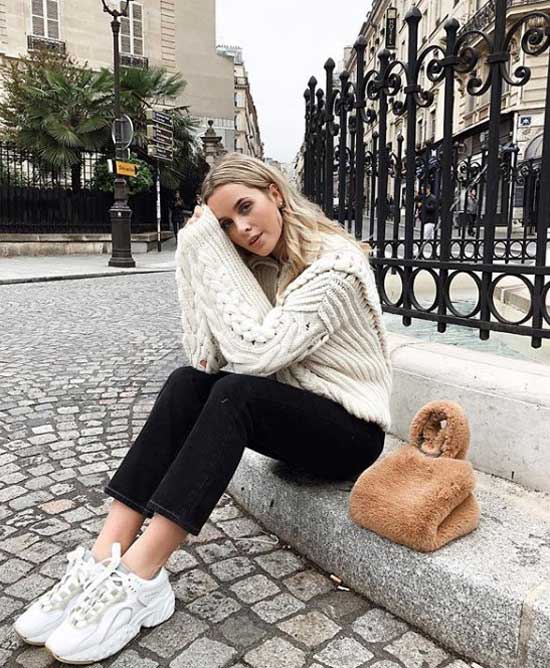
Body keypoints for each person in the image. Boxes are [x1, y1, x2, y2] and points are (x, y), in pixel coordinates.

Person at [13, 153, 393, 664]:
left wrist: (205, 249)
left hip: (350, 434)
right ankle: (106, 551)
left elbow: (257, 356)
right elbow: (205, 357)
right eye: (225, 226)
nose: (242, 229)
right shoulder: (254, 268)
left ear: (274, 193)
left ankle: (142, 577)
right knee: (187, 383)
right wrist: (196, 259)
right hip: (293, 419)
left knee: (237, 393)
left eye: (245, 208)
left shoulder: (336, 265)